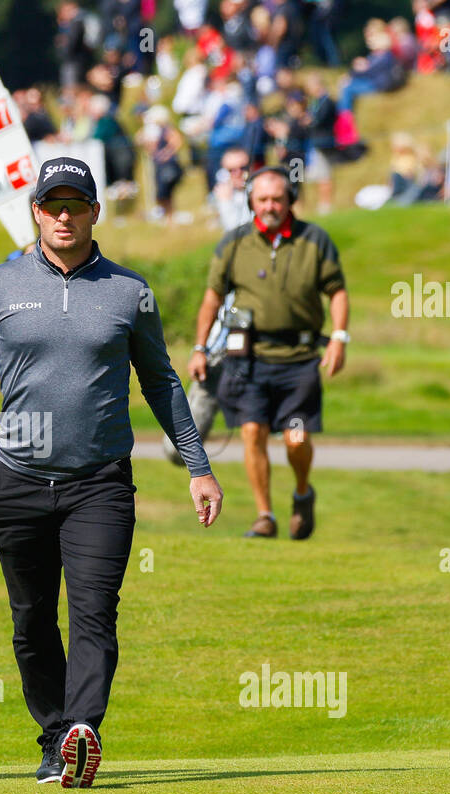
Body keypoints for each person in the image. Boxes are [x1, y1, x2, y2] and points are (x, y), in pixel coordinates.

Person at [0, 158, 224, 788]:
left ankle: (83, 730)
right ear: (36, 213)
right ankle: (54, 739)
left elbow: (161, 380)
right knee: (31, 620)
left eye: (77, 204)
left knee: (95, 611)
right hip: (15, 480)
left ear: (97, 212)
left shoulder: (130, 292)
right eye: (53, 205)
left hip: (100, 482)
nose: (65, 215)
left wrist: (198, 466)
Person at [187, 166, 348, 540]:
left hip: (299, 358)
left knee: (296, 439)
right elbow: (212, 296)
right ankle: (265, 516)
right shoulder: (234, 243)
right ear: (251, 202)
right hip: (248, 358)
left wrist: (339, 337)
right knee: (252, 432)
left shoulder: (315, 240)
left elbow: (337, 291)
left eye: (277, 198)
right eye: (262, 199)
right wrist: (198, 348)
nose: (270, 206)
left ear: (290, 199)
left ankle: (303, 492)